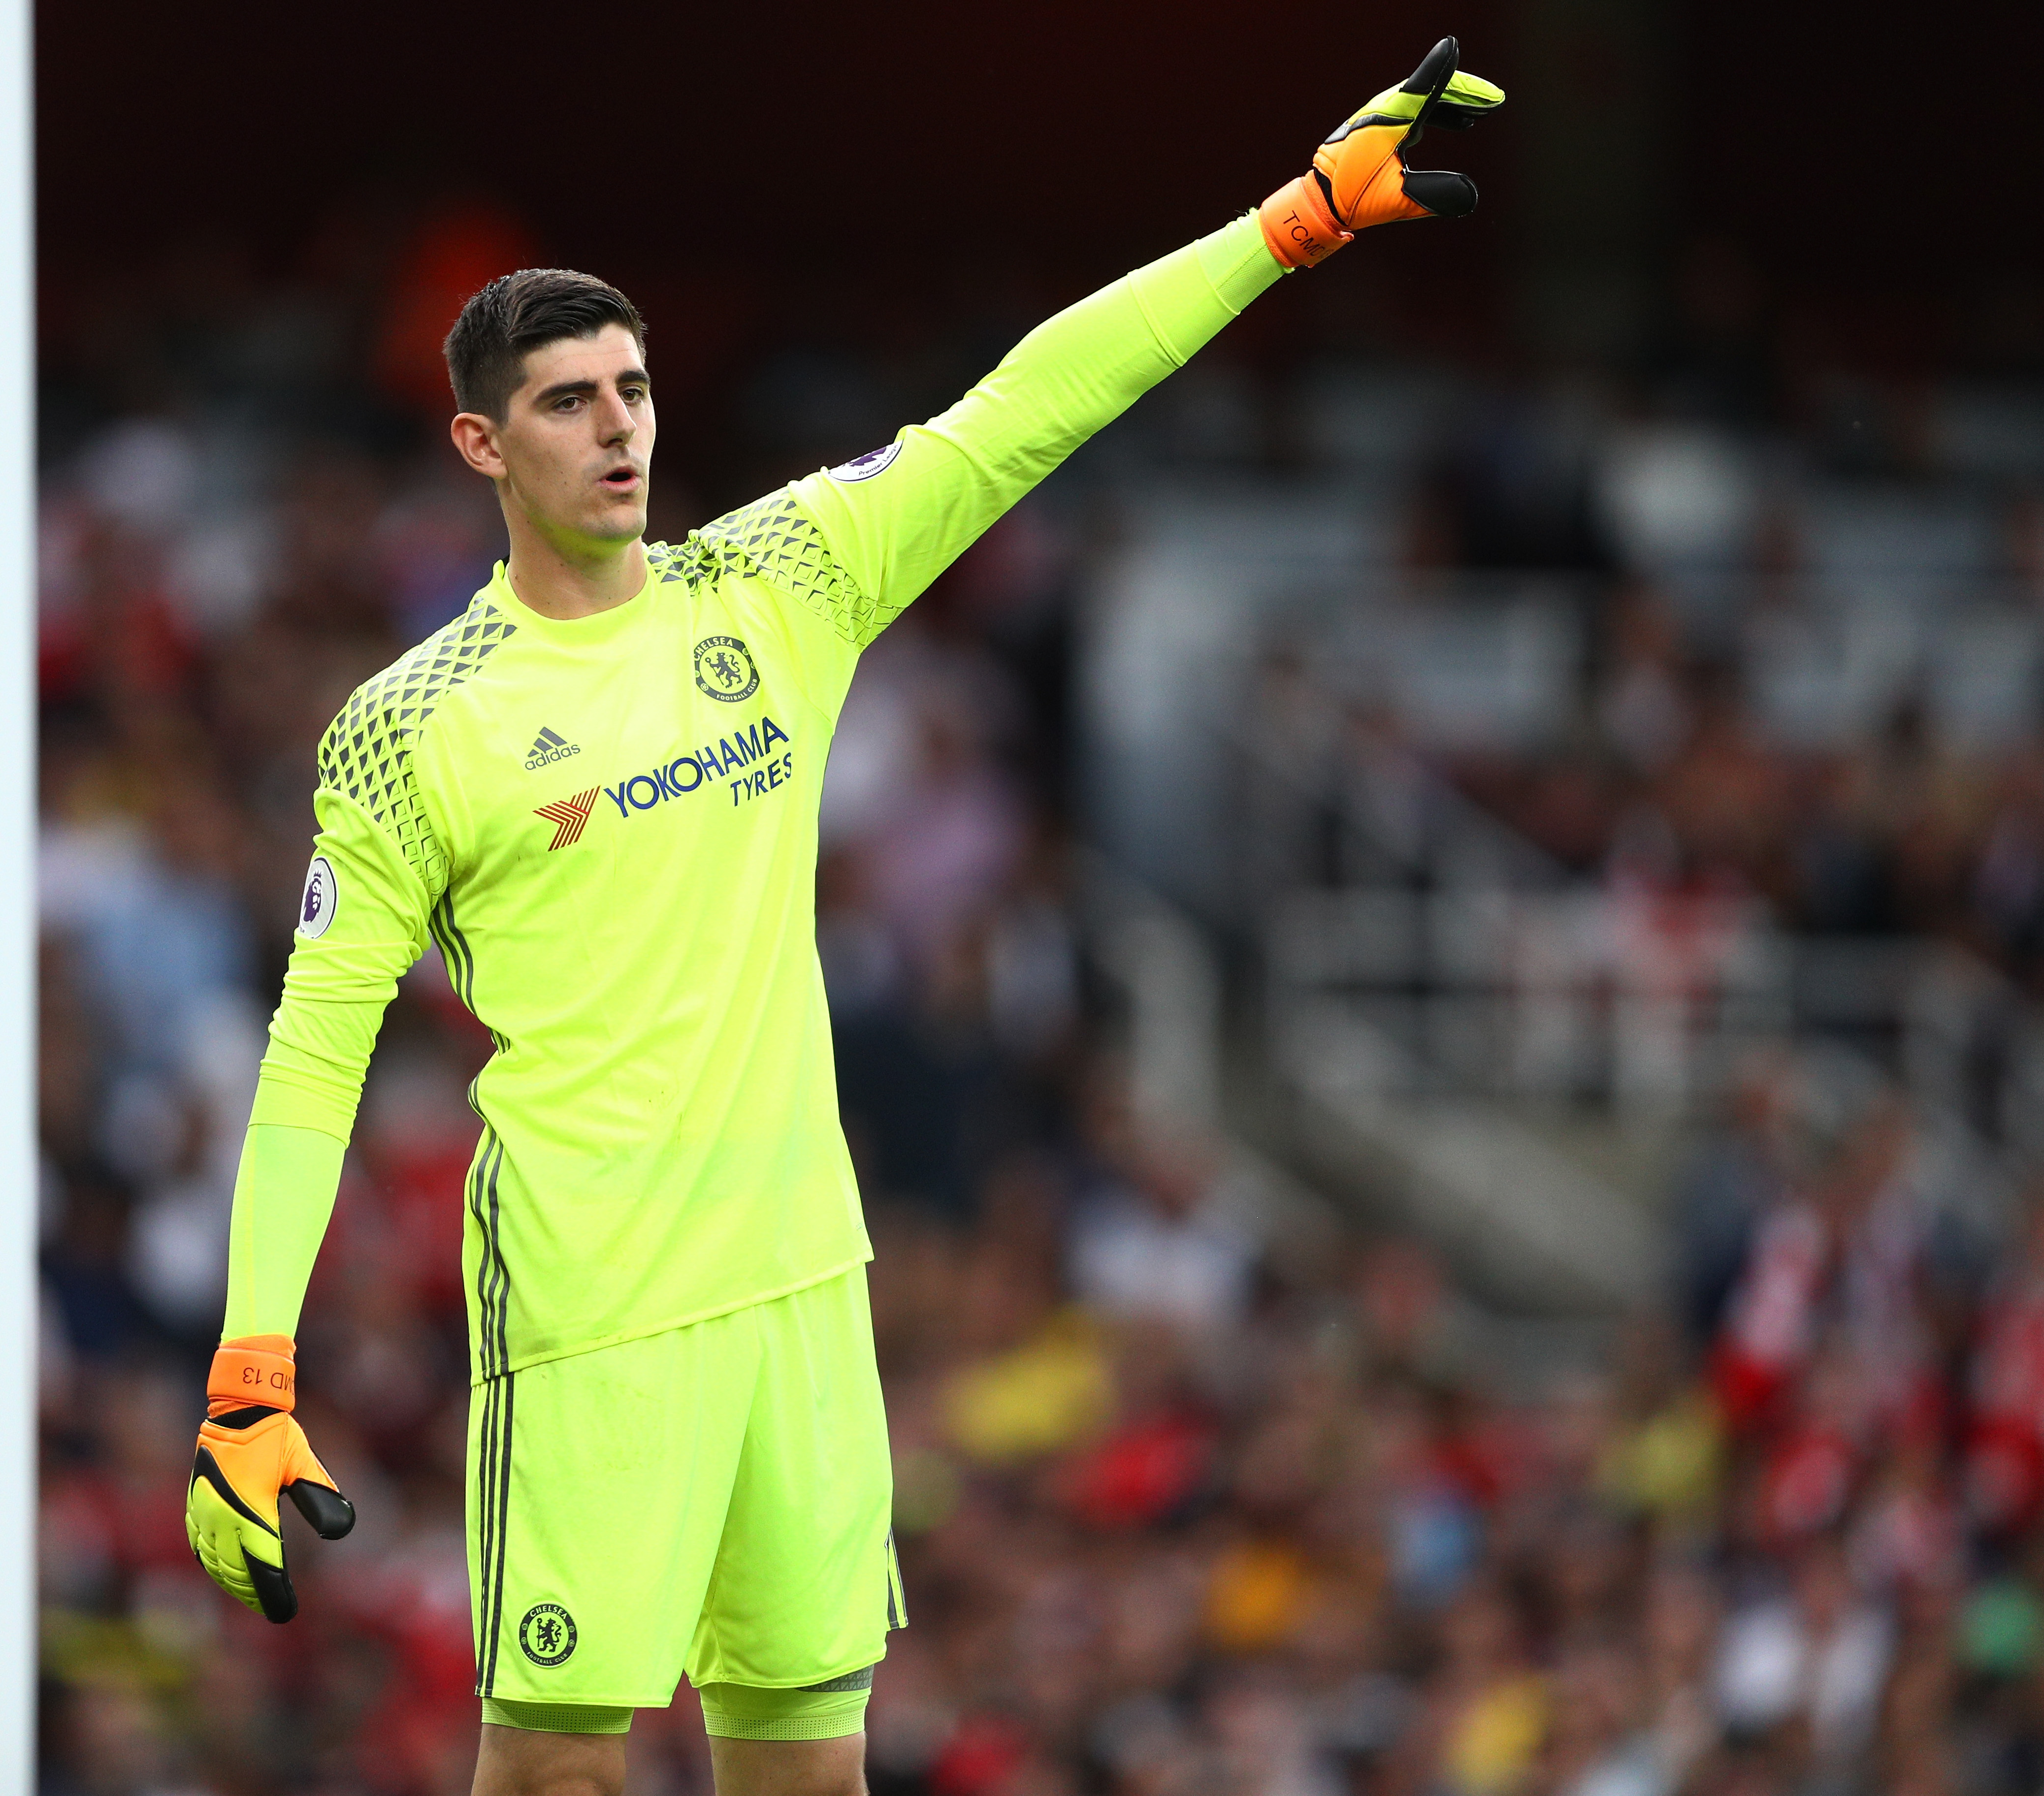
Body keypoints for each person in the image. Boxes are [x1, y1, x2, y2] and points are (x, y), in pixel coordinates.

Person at [184, 39, 1505, 1796]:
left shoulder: (780, 583)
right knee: (560, 1766)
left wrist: (1285, 225)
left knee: (811, 1766)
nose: (620, 426)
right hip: (593, 1308)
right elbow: (315, 1049)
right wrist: (250, 1365)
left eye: (636, 389)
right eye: (571, 401)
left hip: (805, 1281)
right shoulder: (414, 725)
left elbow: (1026, 405)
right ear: (480, 442)